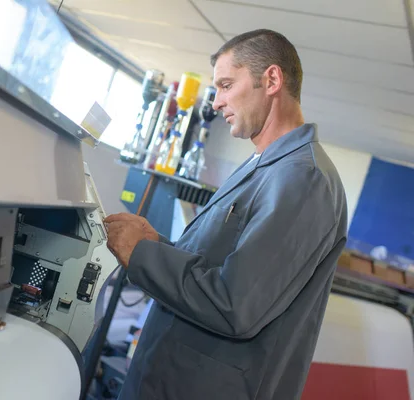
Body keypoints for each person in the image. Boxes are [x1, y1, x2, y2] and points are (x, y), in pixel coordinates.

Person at [105, 29, 347, 400]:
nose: (215, 103)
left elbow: (235, 303)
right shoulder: (264, 166)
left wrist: (143, 255)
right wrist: (156, 244)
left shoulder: (304, 178)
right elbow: (215, 267)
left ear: (271, 79)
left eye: (226, 85)